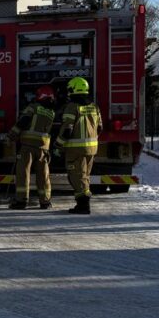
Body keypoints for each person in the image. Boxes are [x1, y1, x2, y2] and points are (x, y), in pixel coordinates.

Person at [54, 76, 100, 214]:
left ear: (73, 89)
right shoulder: (94, 106)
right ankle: (83, 204)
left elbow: (67, 129)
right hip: (92, 148)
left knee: (76, 176)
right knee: (85, 176)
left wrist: (58, 145)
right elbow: (100, 128)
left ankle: (83, 206)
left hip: (76, 149)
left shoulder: (72, 107)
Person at [8, 85, 56, 209]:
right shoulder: (51, 113)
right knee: (43, 175)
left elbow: (23, 121)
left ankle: (21, 201)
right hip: (43, 148)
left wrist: (12, 135)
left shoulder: (33, 107)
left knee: (23, 173)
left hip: (28, 146)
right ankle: (45, 202)